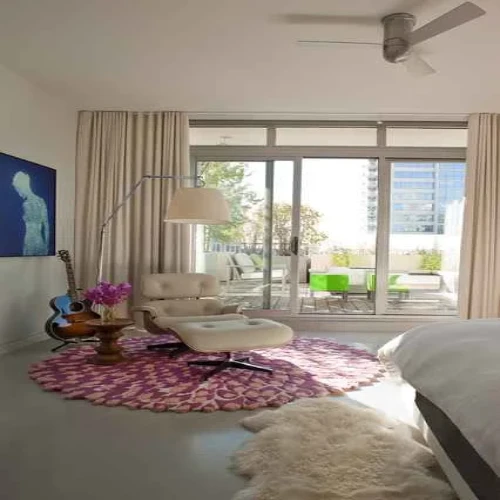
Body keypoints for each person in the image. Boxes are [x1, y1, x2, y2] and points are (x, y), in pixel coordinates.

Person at [12, 171, 49, 256]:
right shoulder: (41, 201)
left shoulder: (26, 204)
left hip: (29, 242)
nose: (18, 193)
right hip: (40, 242)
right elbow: (46, 226)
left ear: (22, 187)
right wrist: (46, 246)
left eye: (18, 189)